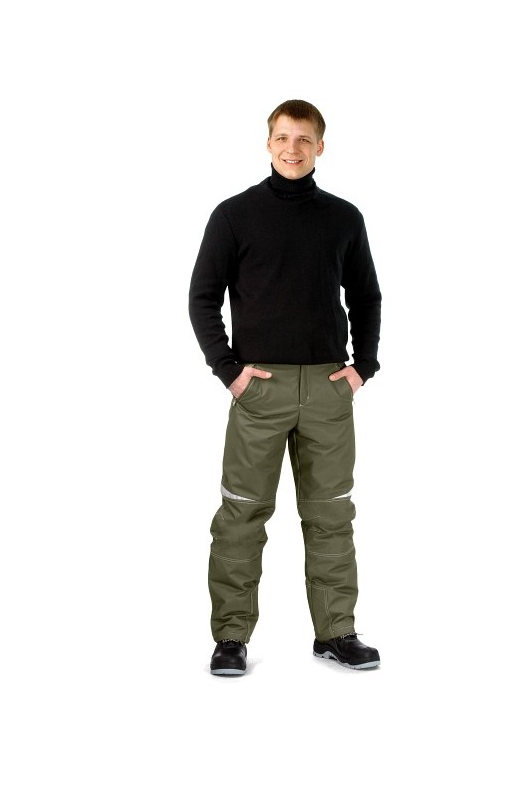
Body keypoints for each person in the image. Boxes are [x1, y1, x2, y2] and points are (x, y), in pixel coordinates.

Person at [188, 99, 382, 676]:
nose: (292, 149)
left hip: (328, 388)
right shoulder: (234, 215)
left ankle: (336, 632)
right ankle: (230, 637)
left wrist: (363, 365)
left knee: (331, 515)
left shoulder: (344, 218)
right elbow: (202, 297)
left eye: (303, 139)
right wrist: (229, 371)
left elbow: (366, 295)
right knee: (242, 514)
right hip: (260, 390)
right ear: (267, 143)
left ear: (320, 146)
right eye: (282, 138)